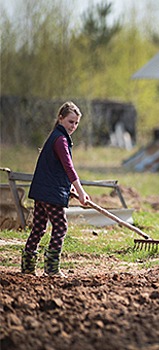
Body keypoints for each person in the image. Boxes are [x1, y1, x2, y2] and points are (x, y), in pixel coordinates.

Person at [21, 101, 90, 277]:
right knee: (60, 227)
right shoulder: (60, 140)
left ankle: (27, 267)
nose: (73, 126)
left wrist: (69, 190)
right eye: (70, 122)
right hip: (50, 193)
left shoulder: (56, 136)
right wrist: (81, 192)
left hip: (42, 190)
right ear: (60, 119)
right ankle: (51, 268)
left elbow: (54, 171)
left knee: (38, 227)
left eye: (76, 123)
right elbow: (69, 168)